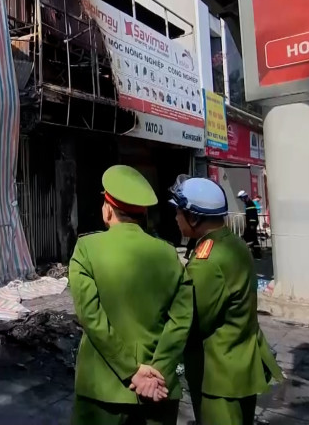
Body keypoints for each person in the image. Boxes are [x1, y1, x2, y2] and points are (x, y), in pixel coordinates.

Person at [69, 165, 194, 425]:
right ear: (143, 213)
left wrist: (131, 372)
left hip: (102, 389)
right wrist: (157, 369)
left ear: (107, 209)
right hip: (158, 389)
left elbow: (91, 317)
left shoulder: (86, 249)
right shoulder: (169, 254)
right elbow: (182, 320)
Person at [169, 177, 283, 425]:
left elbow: (192, 319)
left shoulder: (208, 261)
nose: (176, 217)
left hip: (218, 375)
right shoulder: (234, 244)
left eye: (179, 211)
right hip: (240, 365)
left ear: (195, 217)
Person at [237, 191, 261, 259]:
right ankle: (256, 253)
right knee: (251, 238)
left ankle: (256, 254)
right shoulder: (248, 203)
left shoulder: (250, 204)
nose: (241, 200)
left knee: (249, 238)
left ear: (244, 197)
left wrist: (252, 225)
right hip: (251, 225)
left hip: (251, 225)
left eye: (241, 198)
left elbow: (252, 215)